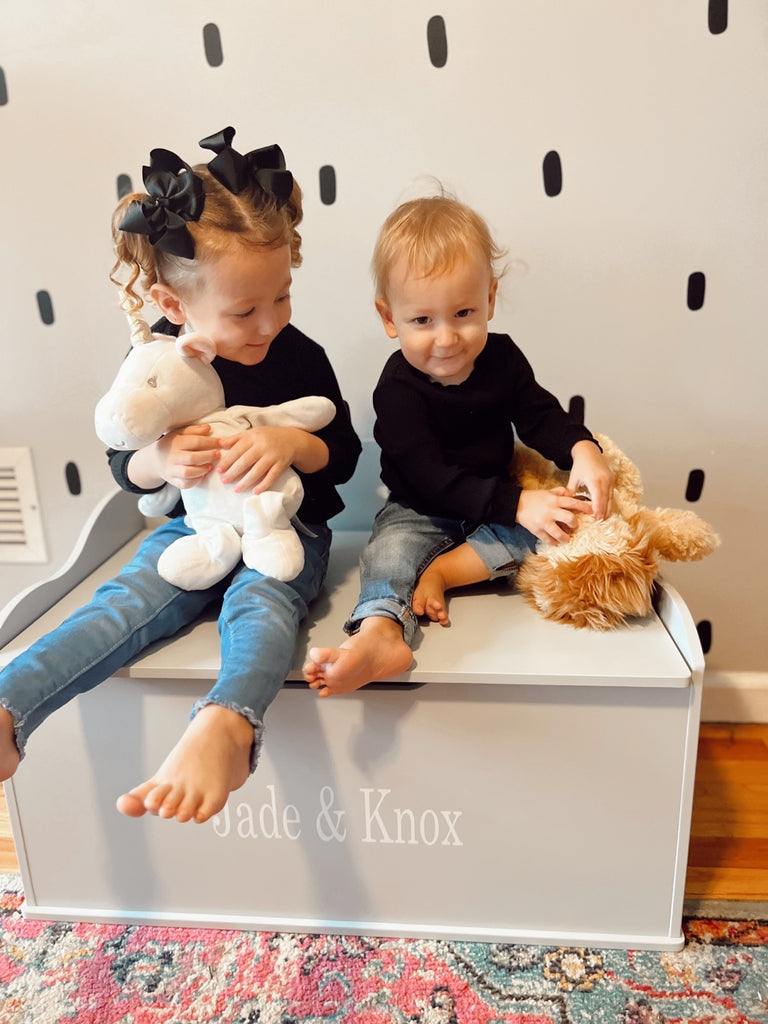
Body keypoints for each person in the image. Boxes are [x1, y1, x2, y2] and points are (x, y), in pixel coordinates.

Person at [0, 128, 361, 823]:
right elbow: (123, 461)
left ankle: (227, 723)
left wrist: (291, 442)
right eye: (244, 311)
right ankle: (11, 708)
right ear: (173, 306)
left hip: (285, 530)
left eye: (282, 298)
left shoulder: (299, 355)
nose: (269, 324)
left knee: (262, 605)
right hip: (192, 530)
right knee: (122, 603)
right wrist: (159, 460)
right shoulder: (159, 366)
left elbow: (340, 451)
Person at [303, 194, 613, 697]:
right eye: (422, 321)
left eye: (463, 313)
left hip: (498, 503)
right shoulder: (397, 390)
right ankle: (379, 632)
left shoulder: (503, 358)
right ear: (389, 317)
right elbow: (432, 478)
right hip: (420, 508)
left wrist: (583, 449)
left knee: (562, 526)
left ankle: (446, 572)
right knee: (388, 555)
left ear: (489, 299)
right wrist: (518, 504)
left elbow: (540, 414)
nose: (446, 338)